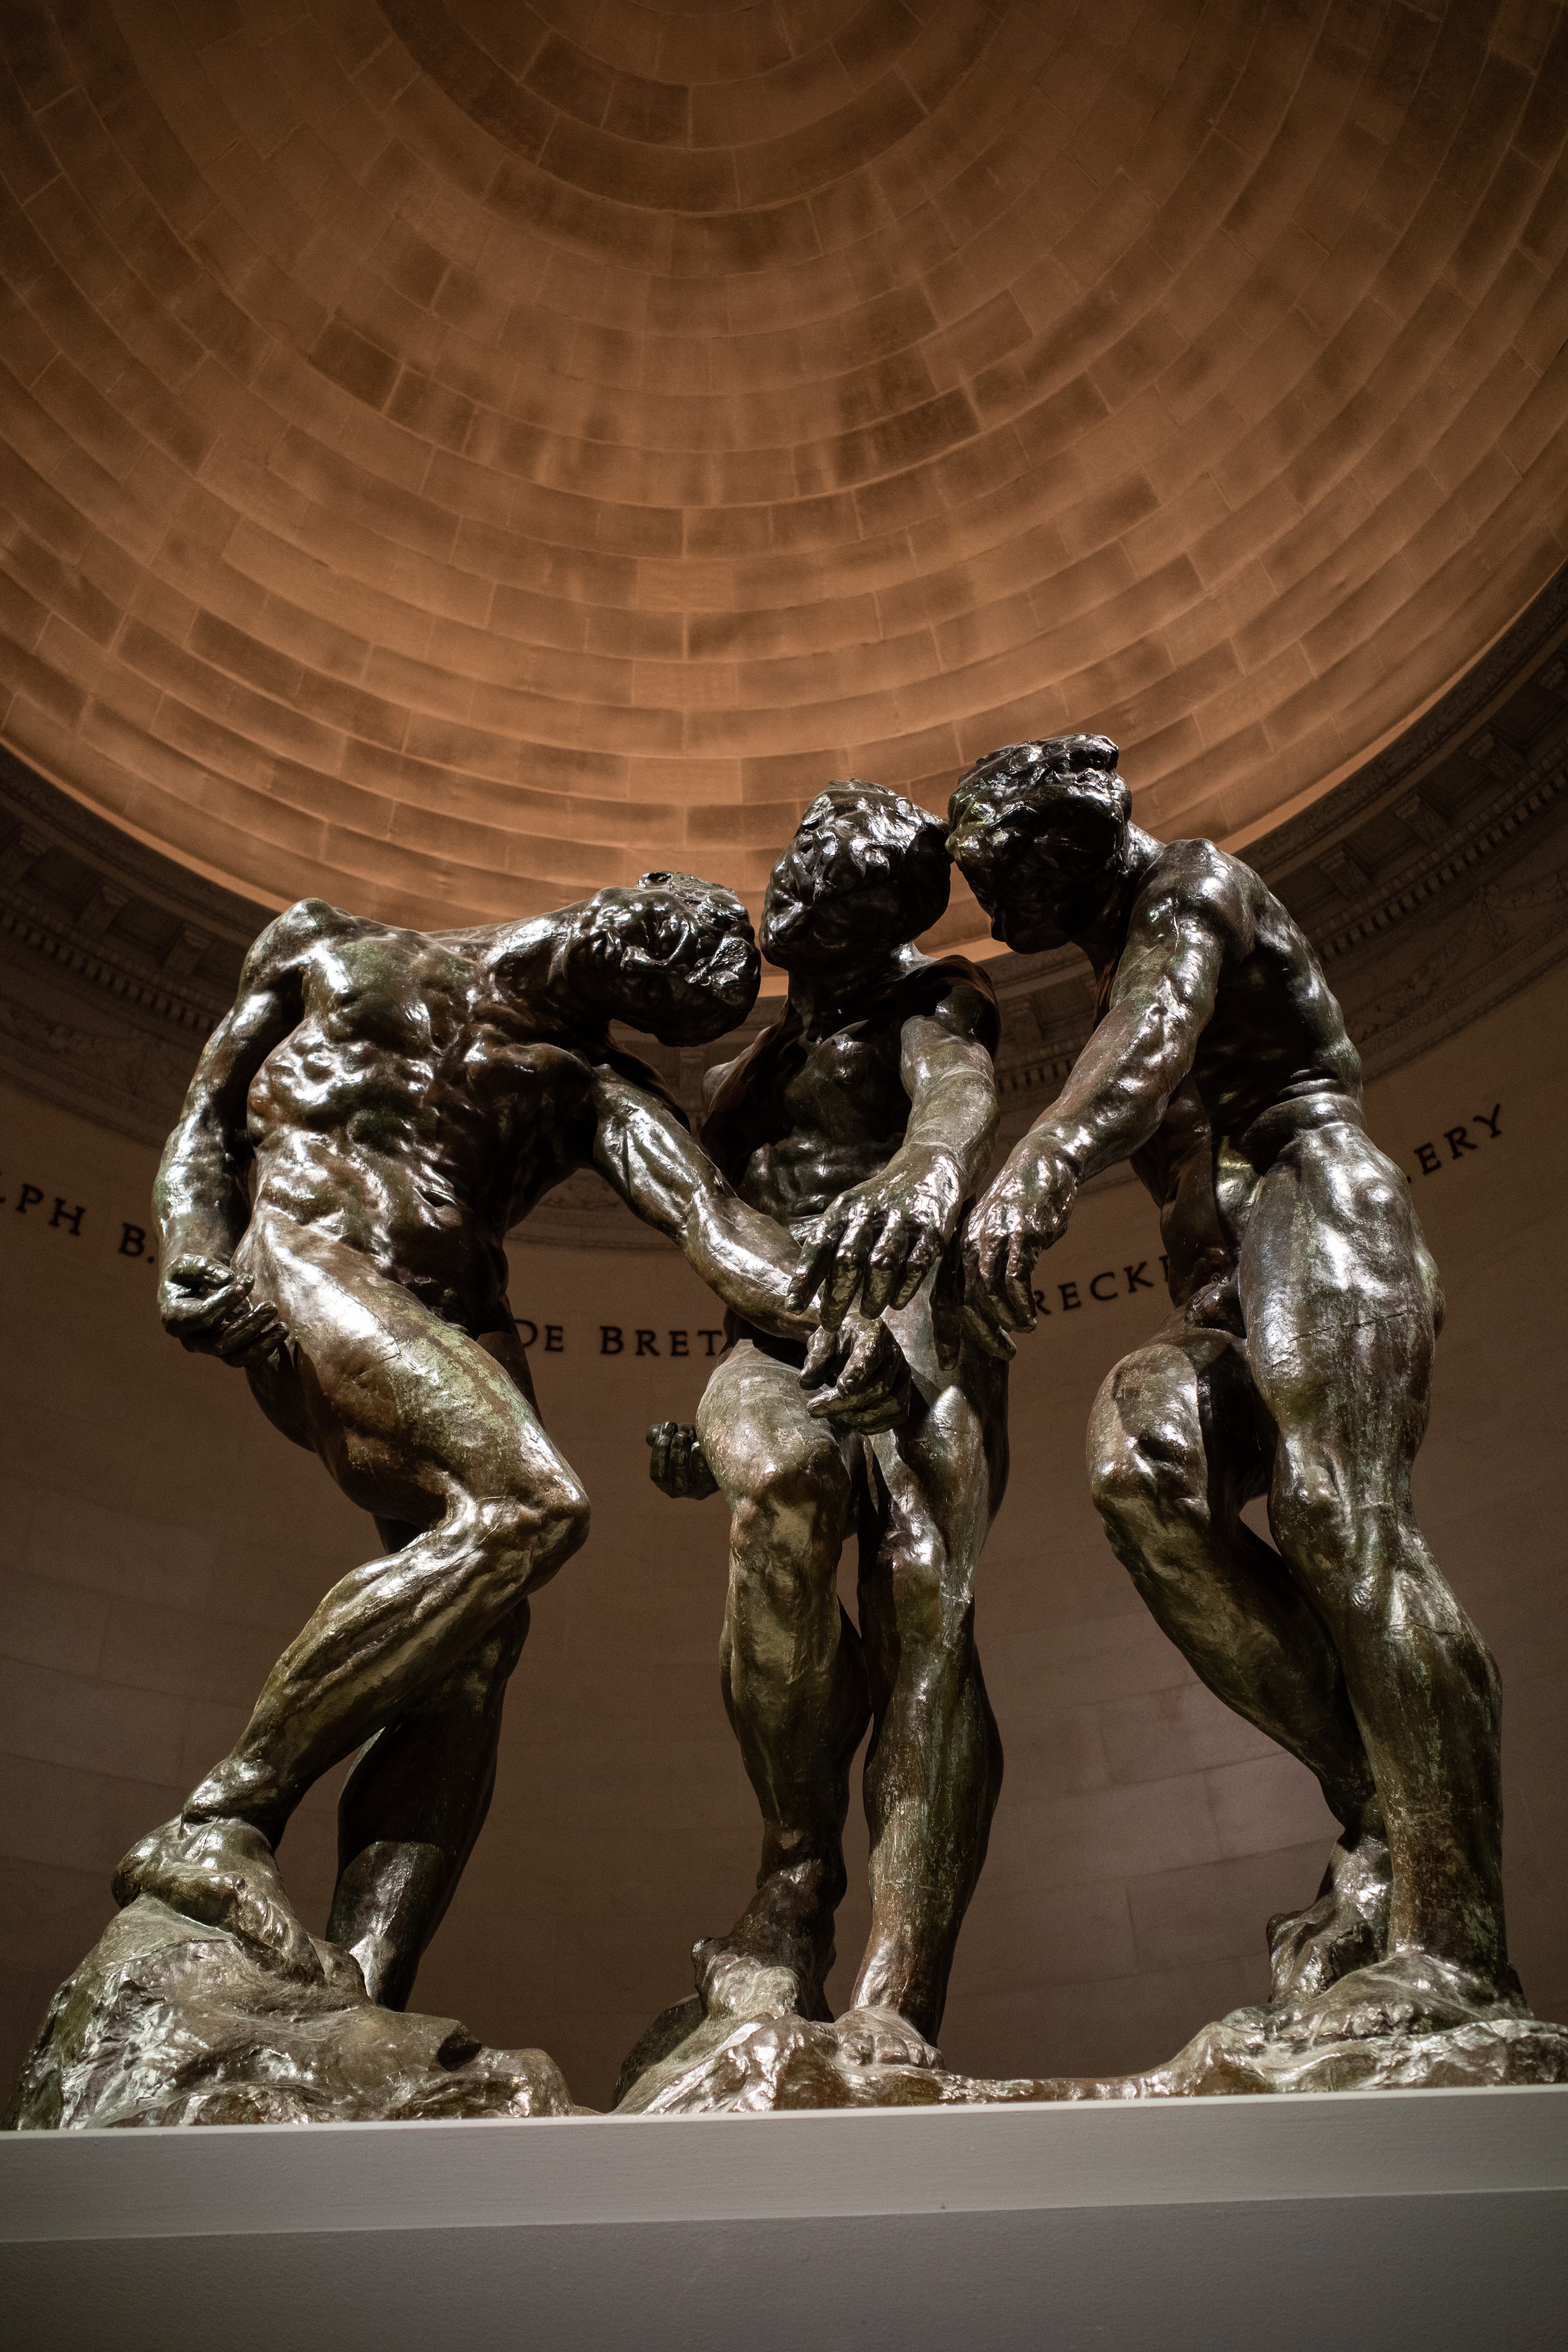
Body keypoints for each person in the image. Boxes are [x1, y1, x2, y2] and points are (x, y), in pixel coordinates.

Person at [117, 872, 906, 2010]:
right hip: (308, 1262)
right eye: (650, 945)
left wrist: (846, 1314)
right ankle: (221, 1820)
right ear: (628, 896)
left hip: (452, 1318)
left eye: (653, 988)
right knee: (533, 1504)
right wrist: (193, 1245)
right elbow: (205, 1116)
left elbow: (716, 1228)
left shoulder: (589, 1086)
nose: (628, 974)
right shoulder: (329, 944)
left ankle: (360, 1989)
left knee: (479, 1641)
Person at [946, 733, 1522, 2040]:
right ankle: (1376, 1802)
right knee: (1138, 1465)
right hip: (1218, 1295)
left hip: (1316, 1203)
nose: (994, 909)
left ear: (1082, 823)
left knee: (1340, 1525)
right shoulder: (1109, 965)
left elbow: (1153, 1041)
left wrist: (1040, 1163)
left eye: (1006, 867)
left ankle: (1458, 1941)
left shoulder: (1195, 886)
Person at [646, 784, 1007, 2065]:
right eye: (798, 871)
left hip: (910, 1320)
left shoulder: (932, 1005)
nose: (796, 900)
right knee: (780, 1484)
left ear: (880, 928)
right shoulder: (745, 1065)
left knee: (927, 1614)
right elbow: (720, 1236)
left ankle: (896, 1989)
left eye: (833, 898)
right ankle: (793, 1880)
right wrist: (708, 1413)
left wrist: (923, 1177)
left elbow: (957, 1101)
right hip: (768, 1340)